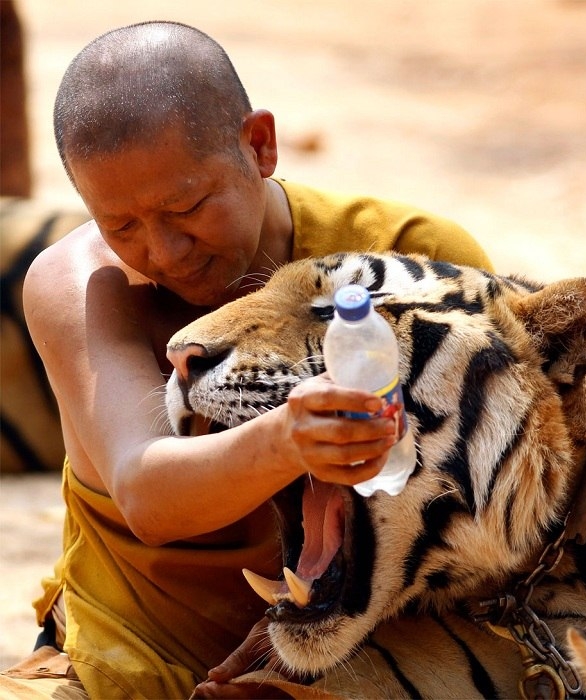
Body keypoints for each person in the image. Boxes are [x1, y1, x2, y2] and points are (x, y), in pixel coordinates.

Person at [0, 20, 493, 700]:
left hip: (372, 657)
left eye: (189, 206)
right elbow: (146, 493)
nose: (165, 252)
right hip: (123, 660)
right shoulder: (79, 284)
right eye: (122, 226)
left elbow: (474, 497)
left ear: (258, 145)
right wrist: (289, 438)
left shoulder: (405, 256)